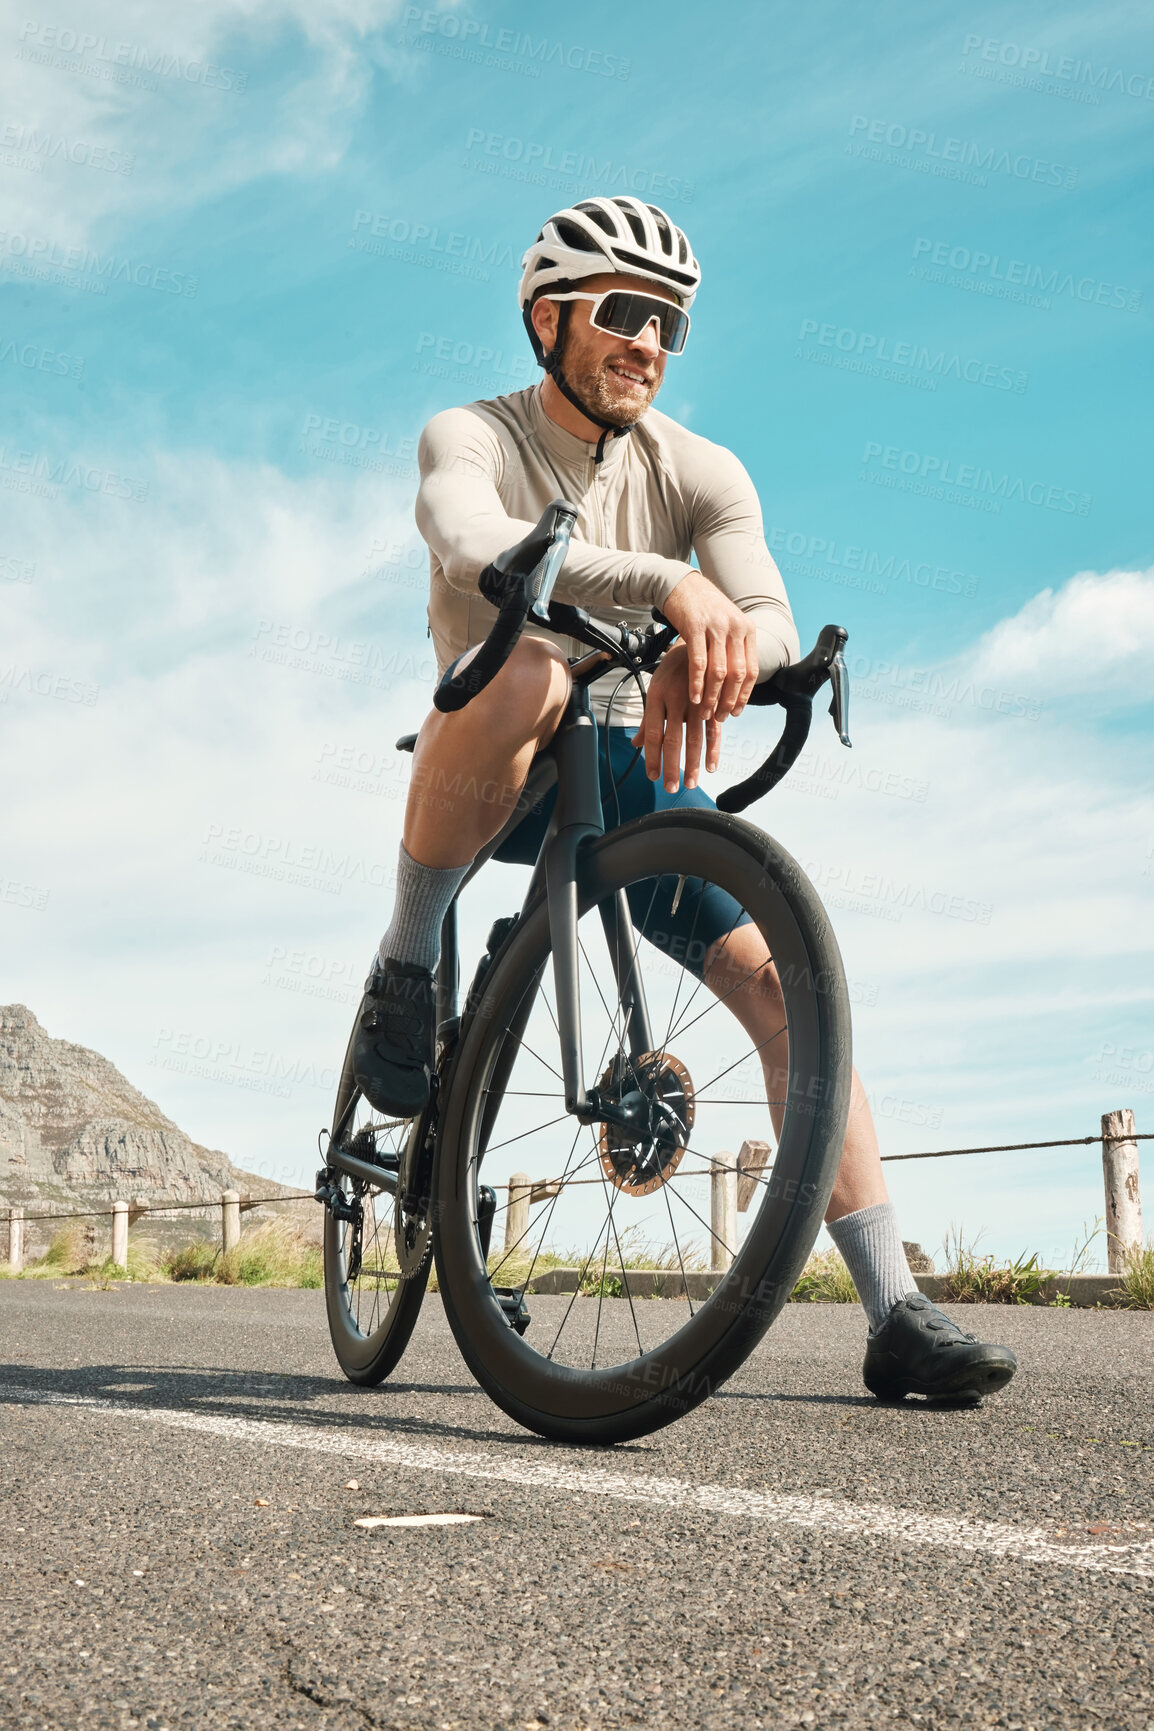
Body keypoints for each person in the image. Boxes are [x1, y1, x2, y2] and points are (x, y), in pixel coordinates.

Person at [353, 195, 1017, 1405]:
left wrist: (719, 648)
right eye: (620, 314)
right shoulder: (472, 430)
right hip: (485, 747)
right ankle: (407, 959)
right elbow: (466, 535)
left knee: (777, 982)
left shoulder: (700, 468)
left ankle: (895, 1311)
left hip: (626, 763)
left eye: (668, 324)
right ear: (546, 318)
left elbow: (761, 612)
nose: (646, 343)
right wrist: (666, 587)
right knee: (536, 660)